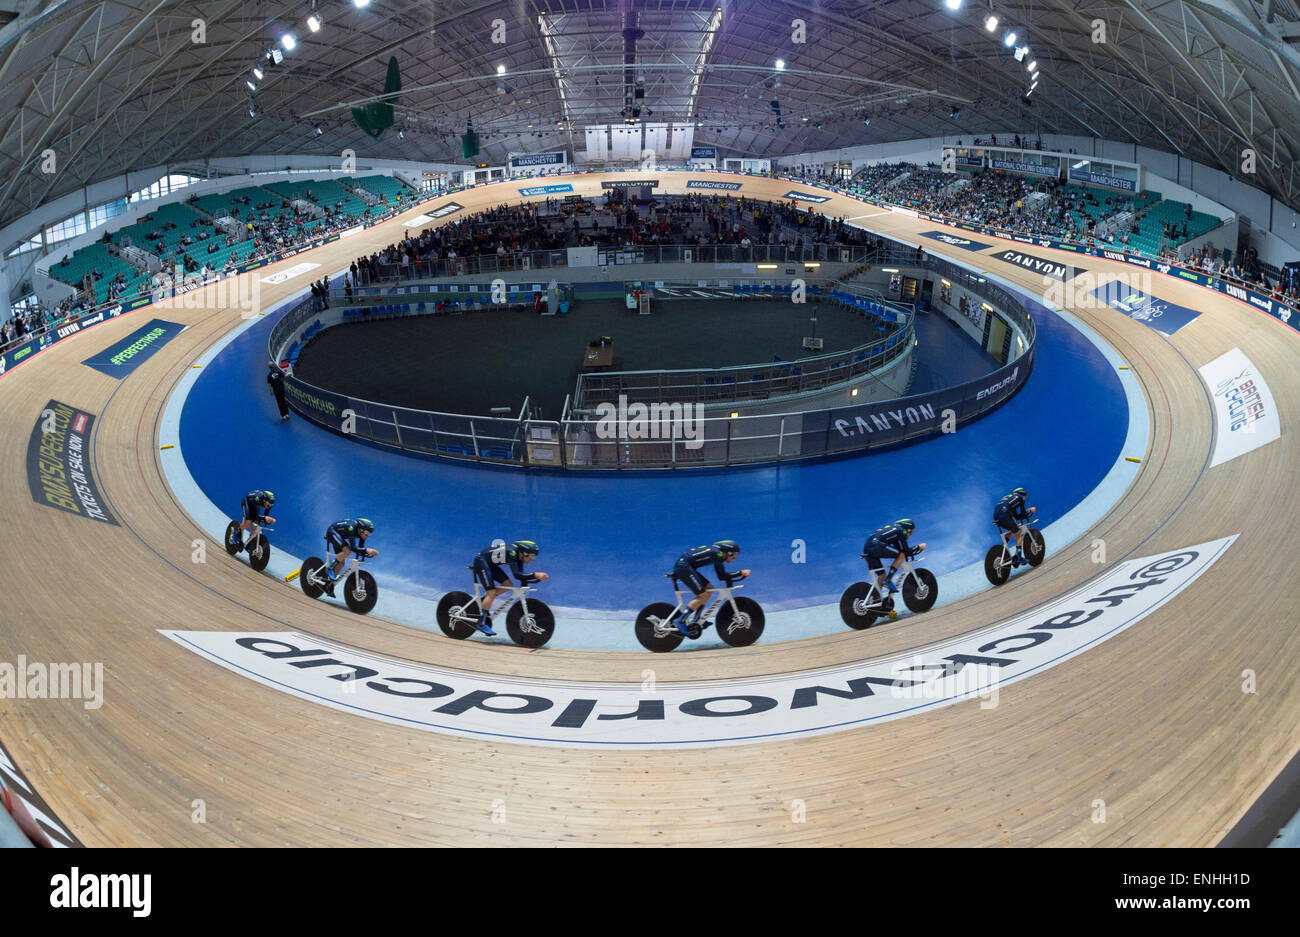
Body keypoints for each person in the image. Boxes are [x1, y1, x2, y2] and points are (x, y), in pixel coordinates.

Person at [668, 540, 749, 637]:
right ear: (728, 552)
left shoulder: (718, 554)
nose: (734, 558)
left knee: (709, 588)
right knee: (701, 595)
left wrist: (731, 579)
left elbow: (722, 576)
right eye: (734, 555)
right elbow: (722, 576)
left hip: (686, 566)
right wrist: (740, 573)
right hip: (683, 567)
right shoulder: (717, 554)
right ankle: (680, 620)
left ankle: (696, 620)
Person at [470, 540, 548, 635]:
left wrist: (525, 585)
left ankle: (485, 601)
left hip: (490, 564)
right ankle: (481, 623)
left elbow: (521, 576)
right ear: (523, 553)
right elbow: (517, 575)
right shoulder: (512, 553)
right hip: (481, 561)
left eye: (534, 557)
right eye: (531, 556)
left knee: (508, 585)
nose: (531, 559)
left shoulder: (519, 557)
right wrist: (535, 575)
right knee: (491, 592)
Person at [862, 520, 926, 592]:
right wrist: (918, 547)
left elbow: (900, 549)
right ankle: (888, 580)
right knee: (902, 555)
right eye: (911, 532)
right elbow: (906, 552)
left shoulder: (894, 530)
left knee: (882, 576)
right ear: (908, 529)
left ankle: (875, 598)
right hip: (876, 546)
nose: (910, 535)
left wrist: (907, 552)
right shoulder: (901, 531)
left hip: (867, 548)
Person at [323, 518, 378, 595]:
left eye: (369, 534)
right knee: (347, 550)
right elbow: (354, 548)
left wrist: (368, 553)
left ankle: (329, 585)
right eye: (366, 532)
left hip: (339, 536)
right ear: (360, 529)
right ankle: (330, 568)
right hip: (332, 532)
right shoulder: (351, 527)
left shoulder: (362, 534)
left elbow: (360, 549)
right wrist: (367, 550)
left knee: (341, 564)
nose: (367, 535)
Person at [994, 487, 1037, 566]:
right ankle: (1019, 558)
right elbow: (1023, 514)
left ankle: (1001, 551)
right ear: (1023, 494)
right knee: (1018, 533)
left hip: (996, 515)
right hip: (1005, 513)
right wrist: (1030, 510)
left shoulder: (1011, 498)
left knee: (1013, 530)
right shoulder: (1020, 498)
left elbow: (1017, 517)